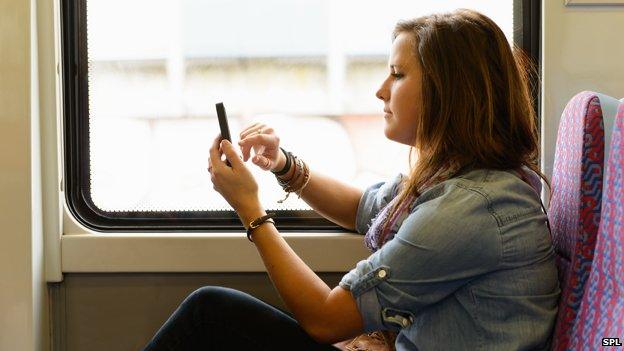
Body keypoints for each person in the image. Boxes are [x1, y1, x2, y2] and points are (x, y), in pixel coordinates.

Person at [143, 8, 560, 351]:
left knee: (211, 313)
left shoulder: (473, 209)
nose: (381, 91)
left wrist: (249, 209)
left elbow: (326, 319)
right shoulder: (453, 177)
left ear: (447, 93)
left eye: (397, 75)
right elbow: (362, 208)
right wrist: (284, 165)